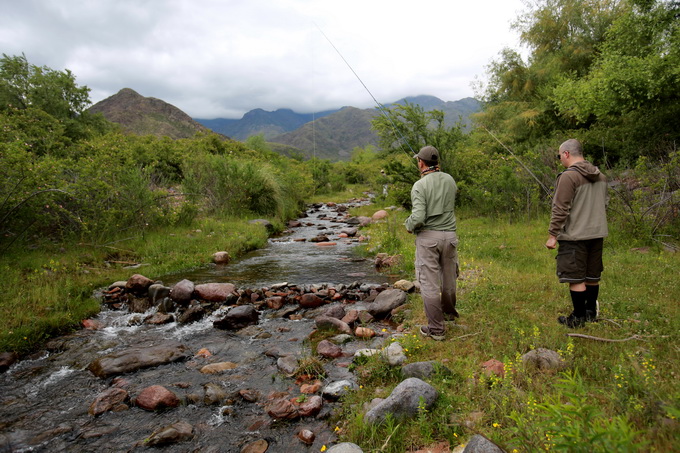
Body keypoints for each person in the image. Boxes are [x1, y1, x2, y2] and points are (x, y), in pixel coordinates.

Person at [545, 139, 608, 328]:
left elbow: (560, 208)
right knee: (592, 275)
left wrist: (552, 235)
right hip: (597, 233)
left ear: (566, 154)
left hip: (575, 235)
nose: (560, 160)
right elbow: (605, 204)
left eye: (559, 156)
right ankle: (590, 313)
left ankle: (578, 318)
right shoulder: (601, 176)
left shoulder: (568, 177)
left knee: (575, 277)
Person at [405, 145, 459, 341]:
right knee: (449, 279)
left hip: (429, 238)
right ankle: (449, 315)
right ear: (437, 162)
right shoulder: (450, 180)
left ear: (421, 162)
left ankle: (436, 329)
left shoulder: (419, 185)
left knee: (428, 283)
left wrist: (409, 225)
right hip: (450, 236)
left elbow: (418, 217)